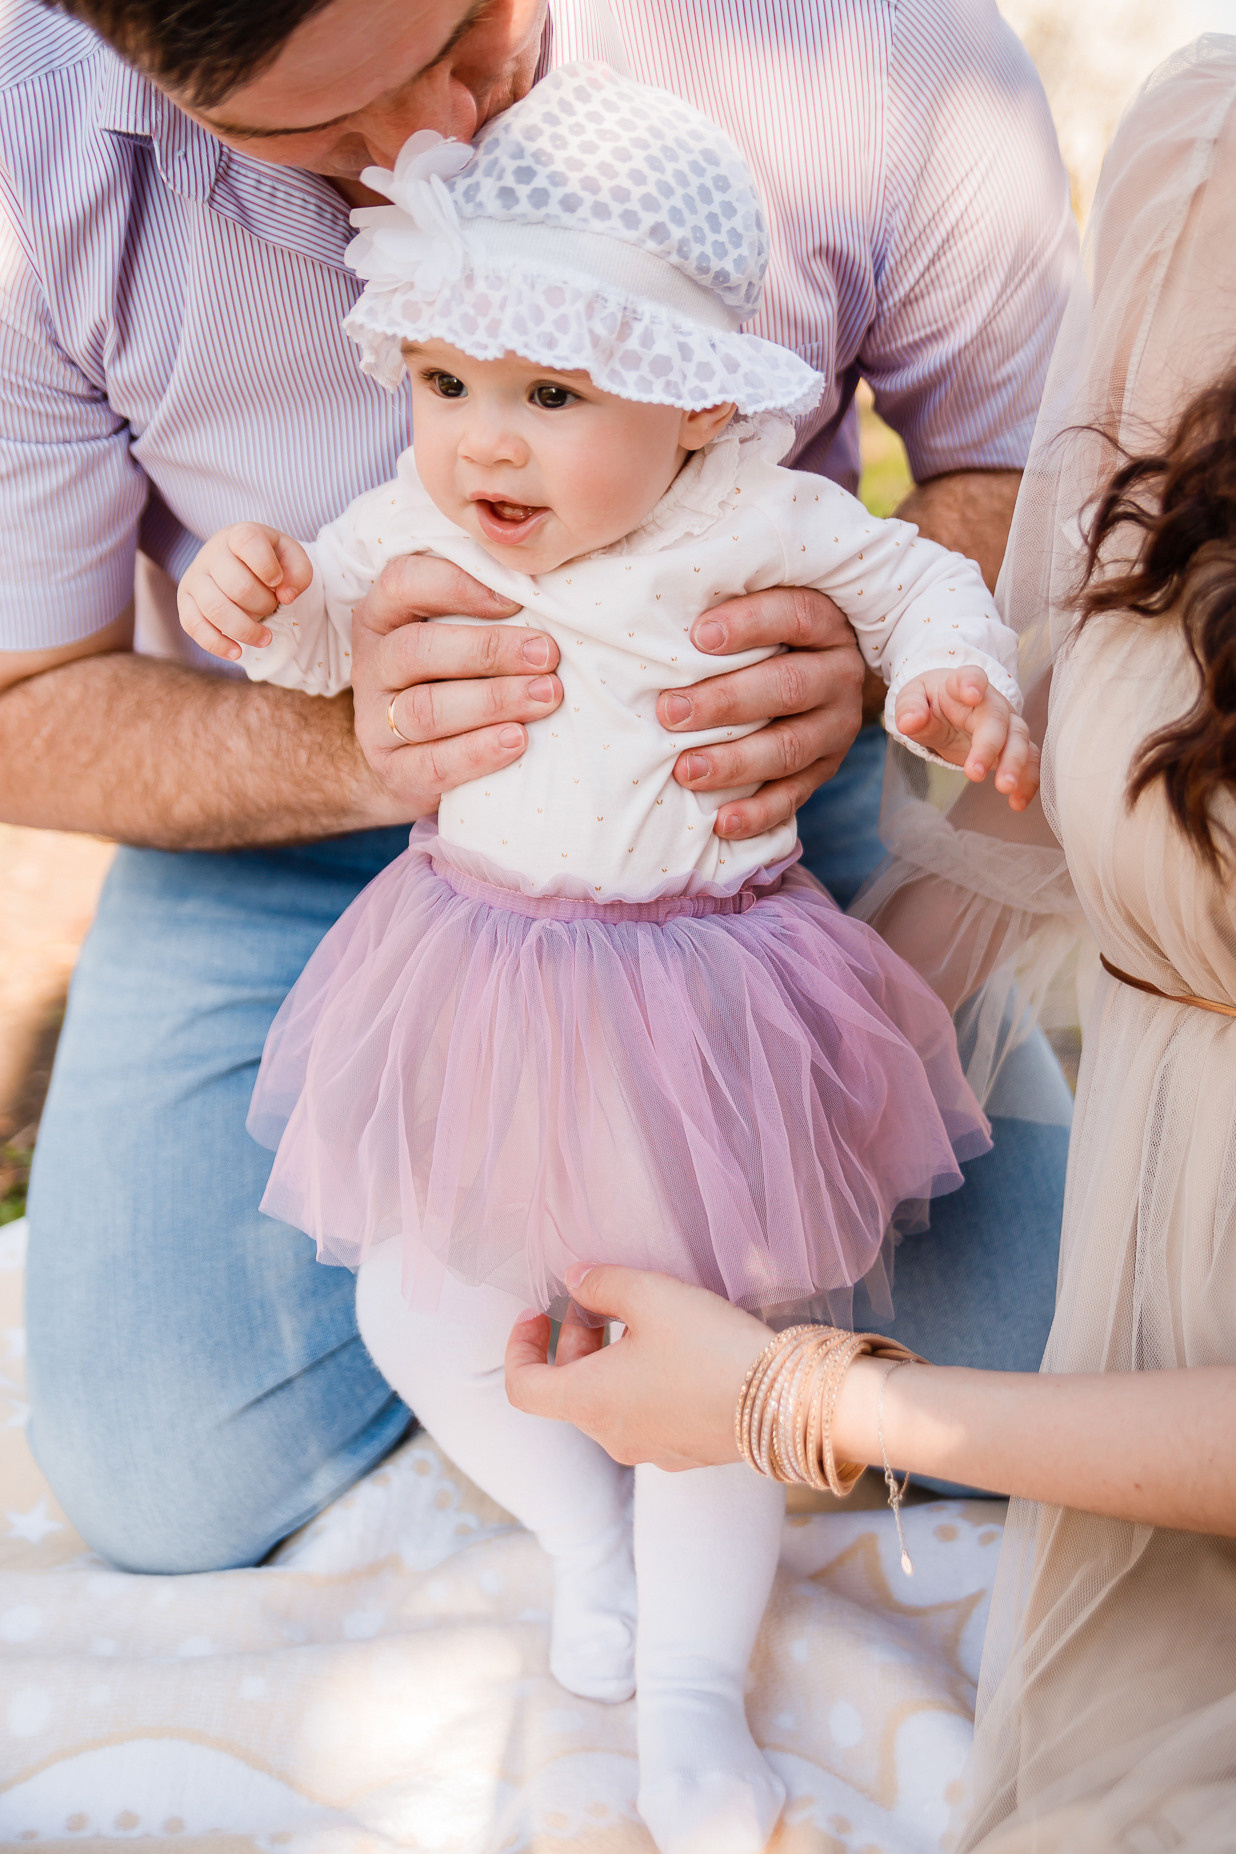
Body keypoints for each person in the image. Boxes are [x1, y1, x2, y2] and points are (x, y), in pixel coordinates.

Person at [2, 0, 1077, 1573]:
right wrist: (339, 733)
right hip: (296, 826)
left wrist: (858, 656)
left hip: (742, 799)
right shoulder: (32, 150)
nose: (437, 138)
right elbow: (30, 698)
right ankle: (563, 1339)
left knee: (1050, 1348)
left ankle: (649, 1290)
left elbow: (1036, 481)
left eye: (468, 32)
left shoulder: (871, 44)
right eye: (317, 129)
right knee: (172, 1466)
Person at [181, 66, 1033, 1853]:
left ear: (699, 399)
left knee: (706, 1353)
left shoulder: (758, 517)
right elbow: (324, 629)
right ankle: (583, 1540)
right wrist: (260, 599)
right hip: (472, 963)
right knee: (414, 1297)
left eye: (550, 392)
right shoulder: (421, 514)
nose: (480, 441)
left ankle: (694, 1708)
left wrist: (949, 673)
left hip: (699, 989)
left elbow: (909, 586)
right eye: (444, 383)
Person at [505, 37, 1236, 1851]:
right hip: (1158, 1248)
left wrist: (793, 1396)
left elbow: (916, 550)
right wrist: (794, 1106)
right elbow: (1040, 721)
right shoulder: (1207, 153)